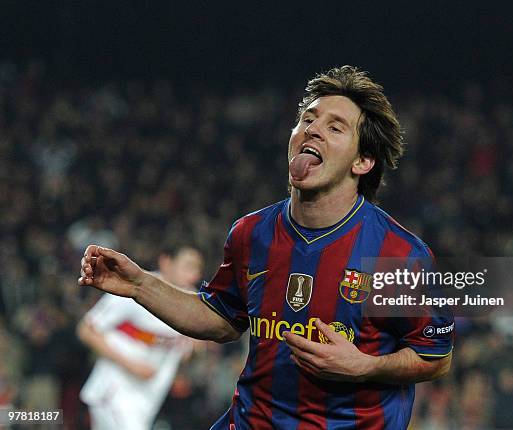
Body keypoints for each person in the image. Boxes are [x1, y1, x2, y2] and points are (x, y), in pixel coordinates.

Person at [78, 66, 454, 429]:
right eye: (308, 119)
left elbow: (435, 357)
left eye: (334, 127)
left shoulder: (397, 253)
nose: (313, 131)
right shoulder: (251, 233)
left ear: (362, 161)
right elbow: (223, 320)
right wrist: (140, 285)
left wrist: (365, 366)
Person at [77, 246, 204, 430]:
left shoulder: (193, 303)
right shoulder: (136, 288)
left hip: (147, 401)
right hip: (116, 391)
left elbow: (189, 350)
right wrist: (132, 365)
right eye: (188, 266)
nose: (194, 275)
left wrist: (193, 350)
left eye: (197, 269)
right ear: (166, 262)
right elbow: (86, 330)